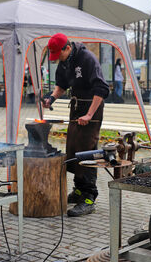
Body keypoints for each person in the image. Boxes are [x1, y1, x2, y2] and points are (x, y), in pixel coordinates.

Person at [42, 33, 109, 217]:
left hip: (92, 108)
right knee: (73, 148)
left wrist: (89, 114)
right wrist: (51, 98)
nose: (57, 59)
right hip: (77, 107)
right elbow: (61, 85)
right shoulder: (65, 62)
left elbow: (101, 88)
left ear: (67, 48)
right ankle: (79, 190)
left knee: (87, 150)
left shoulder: (87, 58)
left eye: (59, 55)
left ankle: (89, 197)